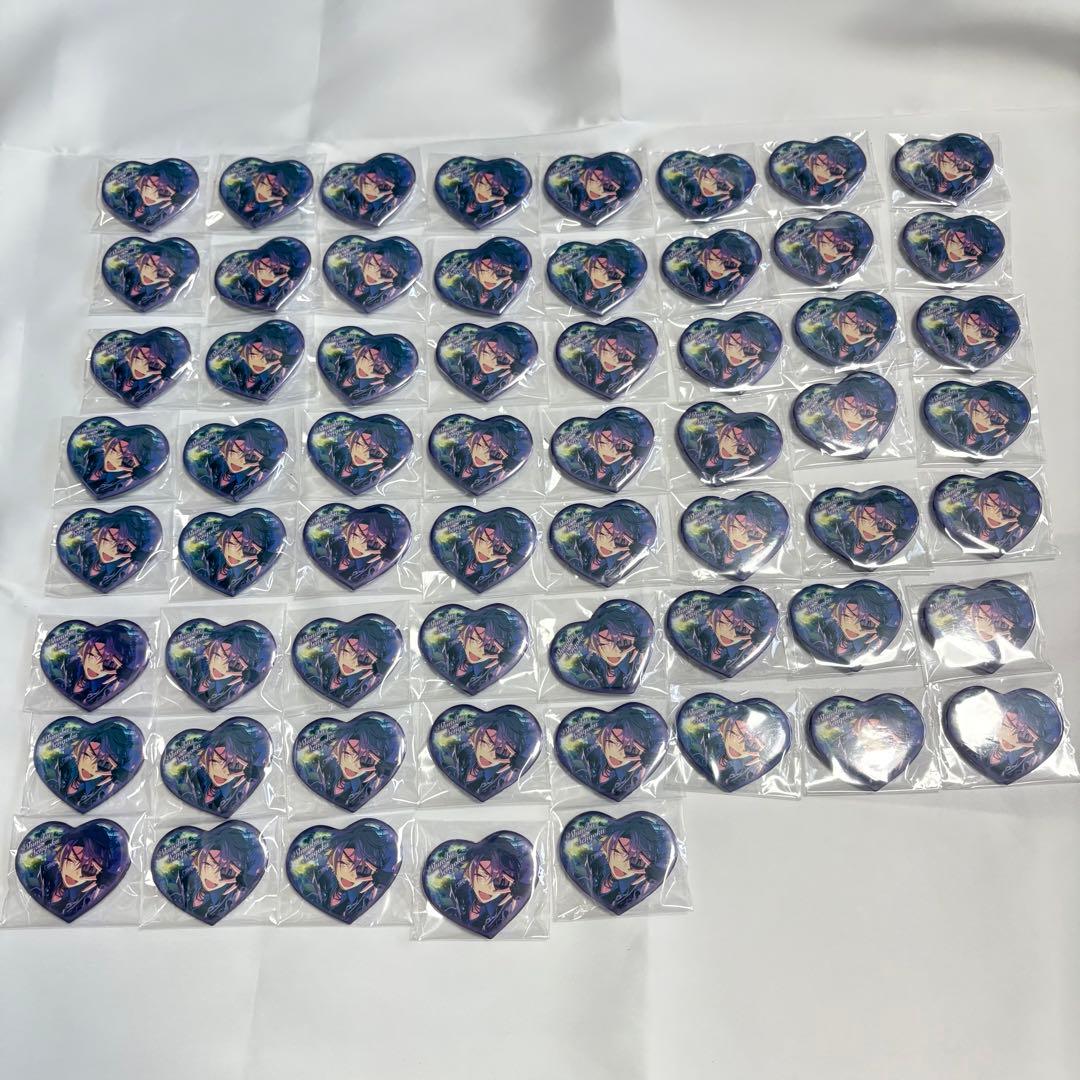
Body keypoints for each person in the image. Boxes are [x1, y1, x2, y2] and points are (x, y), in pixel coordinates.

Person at [162, 719, 270, 818]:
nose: (226, 772)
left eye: (235, 766)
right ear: (207, 752)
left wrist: (254, 773)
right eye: (220, 761)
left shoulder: (235, 792)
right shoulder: (188, 778)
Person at [26, 822, 128, 922]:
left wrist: (107, 883)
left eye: (88, 869)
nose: (76, 873)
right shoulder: (43, 873)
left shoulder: (88, 895)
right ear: (62, 853)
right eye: (71, 860)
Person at [297, 717, 403, 811]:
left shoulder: (366, 787)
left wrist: (385, 772)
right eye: (347, 753)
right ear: (338, 748)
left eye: (366, 760)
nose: (355, 765)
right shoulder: (323, 768)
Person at [37, 719, 142, 813]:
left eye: (102, 764)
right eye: (87, 755)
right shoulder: (60, 766)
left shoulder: (98, 791)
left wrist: (117, 780)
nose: (91, 768)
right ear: (78, 748)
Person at [304, 822, 400, 922]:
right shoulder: (320, 877)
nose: (353, 877)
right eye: (344, 863)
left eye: (362, 869)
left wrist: (385, 876)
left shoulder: (363, 896)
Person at [436, 708, 538, 801]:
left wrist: (519, 766)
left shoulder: (497, 779)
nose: (490, 755)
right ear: (476, 736)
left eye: (500, 751)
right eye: (484, 742)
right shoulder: (456, 756)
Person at [172, 824, 264, 924]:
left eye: (227, 871)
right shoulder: (183, 879)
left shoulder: (227, 899)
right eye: (209, 864)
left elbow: (258, 852)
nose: (217, 877)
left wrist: (247, 879)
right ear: (199, 857)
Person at [680, 492, 788, 578]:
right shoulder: (707, 533)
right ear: (730, 516)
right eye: (742, 527)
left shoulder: (746, 555)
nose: (745, 538)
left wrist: (769, 540)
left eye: (753, 534)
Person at [579, 815, 671, 914]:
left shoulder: (635, 888)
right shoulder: (593, 864)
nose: (623, 865)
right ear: (608, 844)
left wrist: (657, 876)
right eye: (618, 851)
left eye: (636, 861)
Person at [173, 622, 274, 711]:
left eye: (235, 664)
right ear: (210, 651)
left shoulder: (232, 689)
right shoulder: (190, 666)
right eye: (221, 656)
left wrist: (246, 682)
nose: (223, 668)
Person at [792, 582, 900, 664]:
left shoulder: (867, 644)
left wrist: (886, 633)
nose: (854, 626)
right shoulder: (827, 632)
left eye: (865, 622)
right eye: (847, 617)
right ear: (838, 616)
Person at [444, 834, 531, 936]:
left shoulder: (503, 909)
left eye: (499, 881)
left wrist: (522, 893)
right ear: (469, 871)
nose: (489, 888)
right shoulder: (459, 893)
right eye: (480, 876)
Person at [300, 619, 400, 706]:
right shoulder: (320, 663)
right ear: (336, 646)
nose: (352, 663)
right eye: (346, 651)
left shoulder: (364, 683)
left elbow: (394, 643)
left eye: (363, 658)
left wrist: (383, 667)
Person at [425, 607, 524, 695]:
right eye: (473, 639)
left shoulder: (491, 671)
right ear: (463, 636)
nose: (479, 650)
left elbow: (518, 637)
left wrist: (508, 658)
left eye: (489, 647)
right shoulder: (450, 652)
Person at [571, 704, 661, 799]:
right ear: (602, 737)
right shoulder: (590, 757)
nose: (619, 754)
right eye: (611, 742)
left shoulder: (632, 777)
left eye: (630, 749)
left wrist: (648, 762)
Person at [433, 508, 534, 592]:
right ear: (474, 535)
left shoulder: (497, 571)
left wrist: (512, 563)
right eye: (482, 539)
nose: (487, 551)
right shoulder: (457, 549)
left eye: (498, 548)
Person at [562, 600, 652, 691]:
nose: (614, 651)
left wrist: (643, 643)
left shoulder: (634, 665)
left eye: (622, 642)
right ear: (594, 643)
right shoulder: (589, 664)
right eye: (604, 643)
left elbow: (644, 623)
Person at [64, 507, 159, 592]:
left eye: (122, 547)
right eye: (106, 540)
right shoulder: (81, 554)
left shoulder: (122, 571)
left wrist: (141, 557)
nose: (112, 551)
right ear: (96, 537)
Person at [923, 381, 1028, 457]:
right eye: (984, 411)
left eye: (995, 418)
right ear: (973, 403)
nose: (986, 421)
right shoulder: (957, 420)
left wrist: (1014, 429)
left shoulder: (992, 442)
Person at [556, 318, 656, 399]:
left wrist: (640, 363)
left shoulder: (624, 376)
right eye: (607, 349)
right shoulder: (584, 362)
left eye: (623, 356)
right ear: (597, 347)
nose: (615, 360)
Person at [679, 312, 782, 389]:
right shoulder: (710, 358)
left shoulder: (751, 371)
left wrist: (767, 357)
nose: (739, 354)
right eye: (733, 344)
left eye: (749, 350)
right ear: (724, 340)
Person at [92, 327, 190, 406]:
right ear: (132, 353)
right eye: (139, 358)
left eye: (153, 365)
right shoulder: (117, 370)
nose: (144, 368)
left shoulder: (153, 384)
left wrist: (167, 376)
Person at [915, 295, 1020, 368]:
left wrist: (999, 338)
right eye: (978, 324)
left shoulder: (982, 353)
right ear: (967, 313)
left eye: (987, 332)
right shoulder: (946, 326)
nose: (978, 335)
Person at [794, 292, 897, 366]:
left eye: (864, 328)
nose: (857, 332)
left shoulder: (864, 351)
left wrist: (881, 335)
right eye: (855, 322)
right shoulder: (825, 334)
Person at [319, 328, 416, 404]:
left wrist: (394, 380)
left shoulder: (371, 390)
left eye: (379, 368)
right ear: (363, 351)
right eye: (367, 358)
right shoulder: (340, 363)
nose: (368, 368)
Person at [896, 133, 994, 202]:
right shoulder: (924, 170)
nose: (955, 169)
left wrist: (977, 173)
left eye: (963, 166)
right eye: (953, 160)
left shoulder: (962, 186)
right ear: (941, 153)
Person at [323, 154, 414, 226]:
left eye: (383, 187)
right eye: (369, 182)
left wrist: (398, 191)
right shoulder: (346, 197)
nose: (374, 191)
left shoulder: (385, 206)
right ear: (360, 177)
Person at [770, 136, 866, 204]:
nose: (826, 173)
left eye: (835, 170)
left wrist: (845, 181)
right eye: (822, 163)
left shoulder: (832, 191)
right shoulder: (797, 174)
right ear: (812, 157)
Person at [438, 158, 530, 227]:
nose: (486, 193)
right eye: (483, 183)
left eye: (496, 191)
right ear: (477, 176)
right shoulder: (460, 191)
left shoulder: (491, 211)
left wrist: (512, 201)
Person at [77, 426, 163, 498]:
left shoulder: (117, 483)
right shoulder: (90, 455)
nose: (116, 462)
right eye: (115, 450)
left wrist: (142, 475)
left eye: (127, 460)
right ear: (111, 442)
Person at [222, 239, 308, 309]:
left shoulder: (281, 287)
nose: (272, 276)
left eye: (279, 271)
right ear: (257, 260)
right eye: (270, 267)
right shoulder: (238, 277)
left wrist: (296, 273)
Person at [221, 158, 310, 227]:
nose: (265, 193)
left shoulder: (272, 208)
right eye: (263, 183)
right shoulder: (244, 190)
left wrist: (288, 201)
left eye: (275, 191)